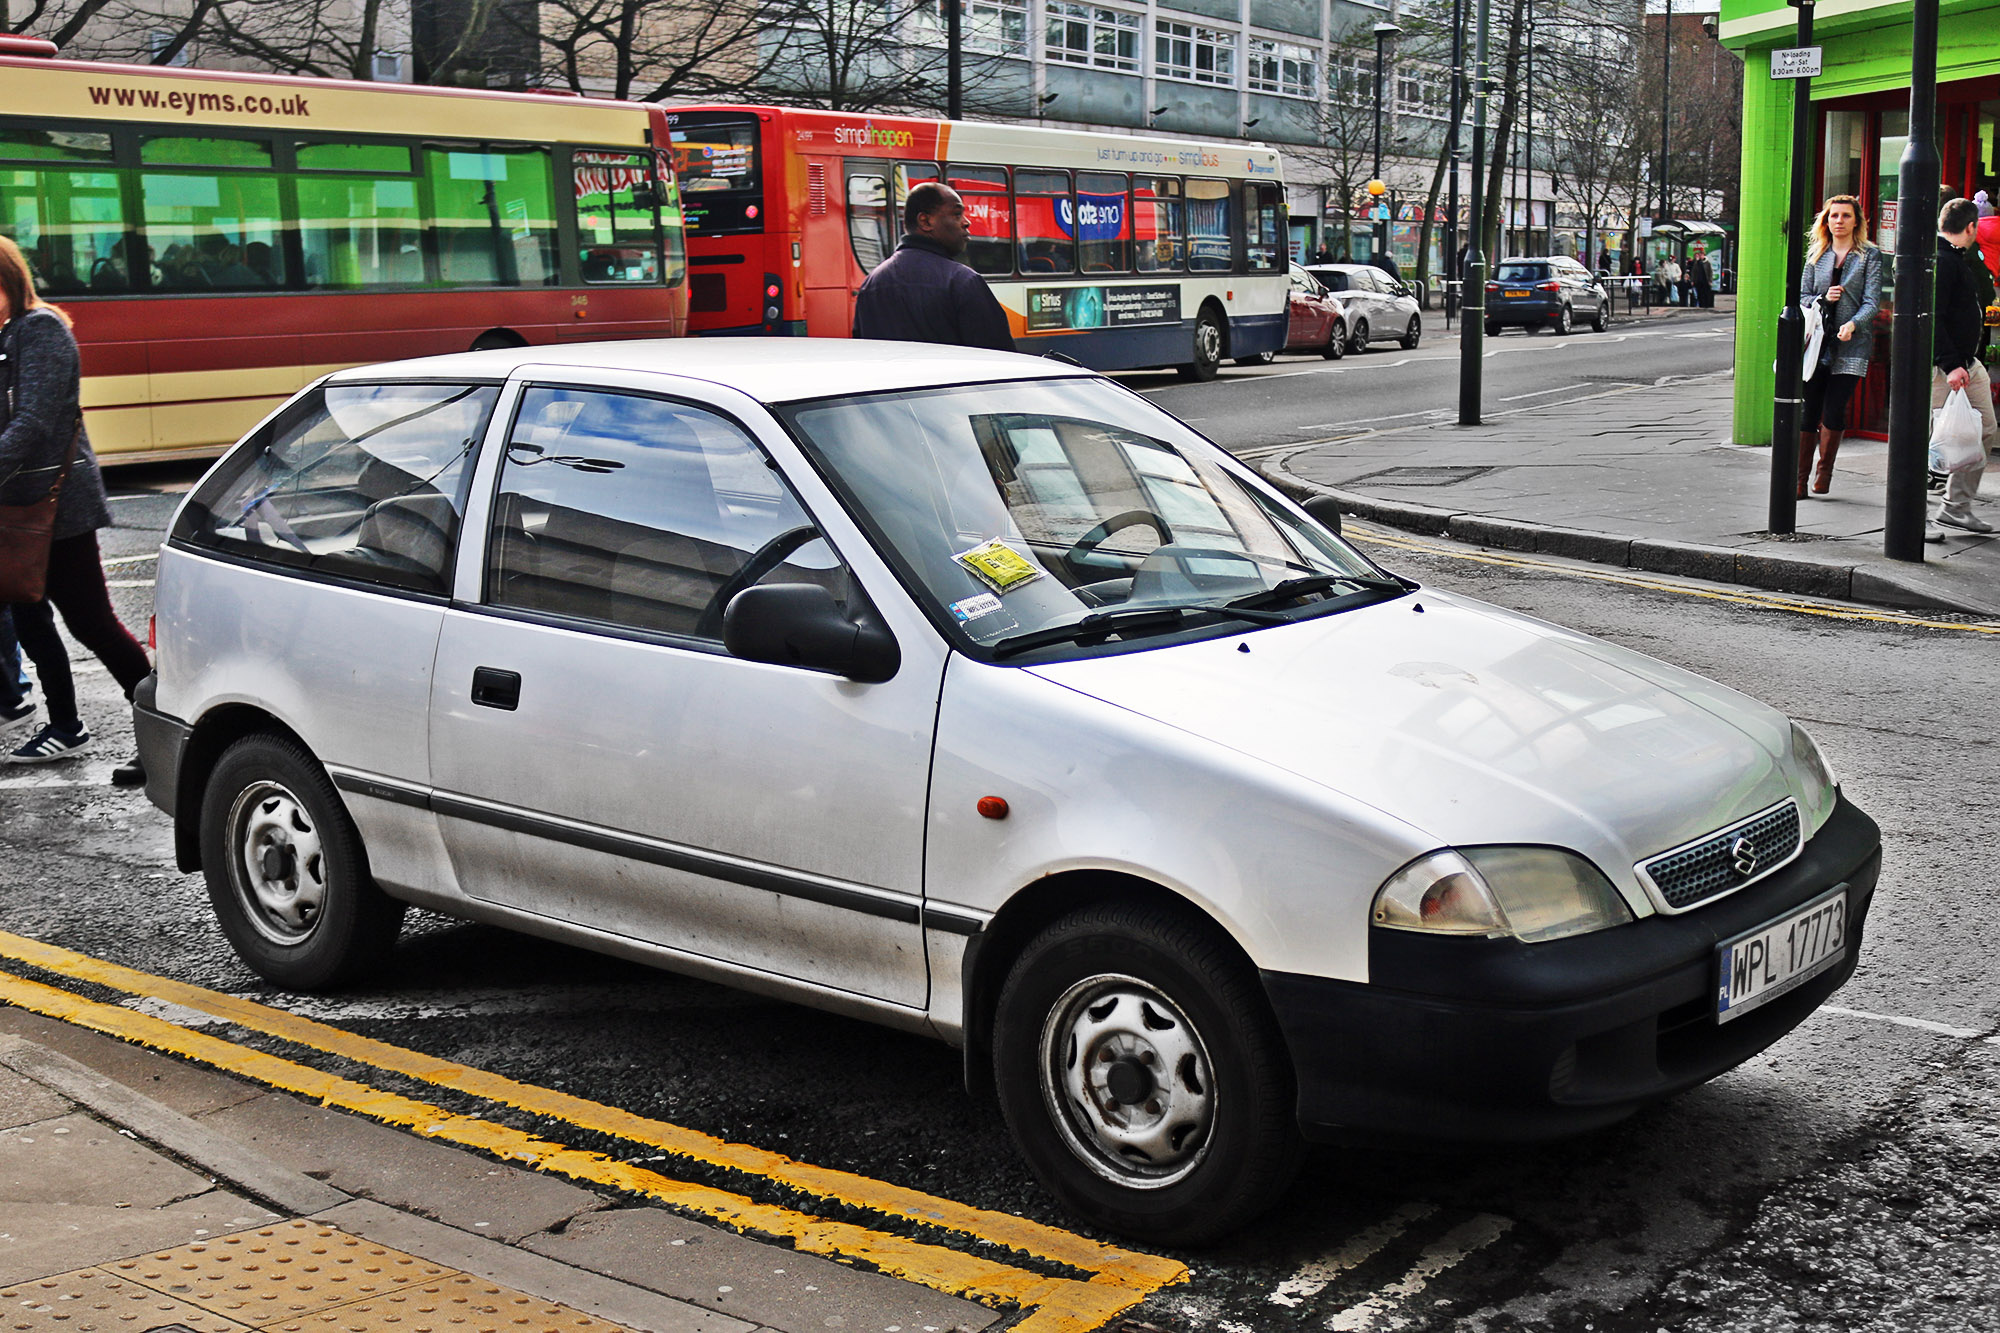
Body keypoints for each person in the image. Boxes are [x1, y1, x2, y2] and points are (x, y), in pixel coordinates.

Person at [0, 235, 152, 775]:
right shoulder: (4, 334)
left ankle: (165, 733)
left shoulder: (40, 330)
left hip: (55, 506)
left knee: (92, 623)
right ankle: (66, 726)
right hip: (14, 507)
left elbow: (35, 423)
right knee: (31, 619)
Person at [852, 182, 1014, 352]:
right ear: (925, 221)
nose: (966, 222)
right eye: (957, 214)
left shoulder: (871, 284)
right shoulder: (963, 281)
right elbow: (1001, 356)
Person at [1796, 195, 1882, 499]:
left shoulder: (1869, 255)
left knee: (1833, 411)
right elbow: (1801, 296)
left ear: (1856, 221)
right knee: (1808, 414)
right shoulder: (1815, 254)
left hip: (1851, 343)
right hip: (1816, 344)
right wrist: (1822, 299)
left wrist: (1853, 324)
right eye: (1834, 216)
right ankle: (1799, 480)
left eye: (1846, 216)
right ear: (1826, 220)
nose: (1839, 221)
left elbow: (1872, 301)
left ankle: (1824, 473)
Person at [1928, 196, 1996, 541]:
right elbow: (1933, 319)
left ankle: (1955, 507)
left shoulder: (1959, 258)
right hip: (1946, 367)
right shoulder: (1942, 261)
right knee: (1935, 442)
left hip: (1968, 363)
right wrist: (1951, 364)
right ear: (1971, 227)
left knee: (1983, 428)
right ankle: (1915, 515)